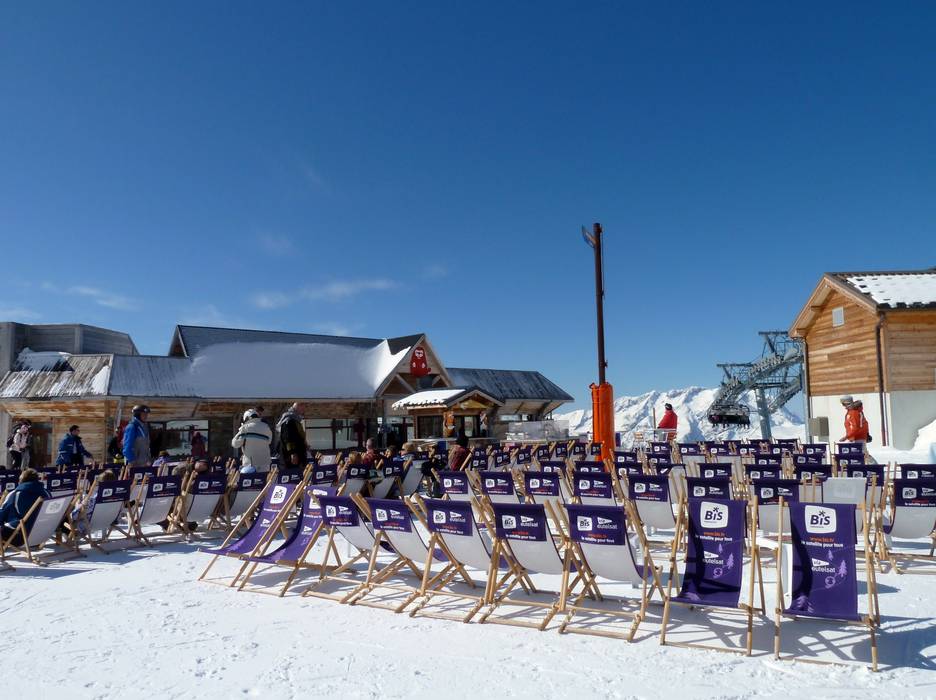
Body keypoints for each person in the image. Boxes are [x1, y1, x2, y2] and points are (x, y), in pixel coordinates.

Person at [0, 468, 50, 545]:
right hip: (43, 535)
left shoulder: (15, 494)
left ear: (21, 480)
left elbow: (1, 516)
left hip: (21, 538)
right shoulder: (46, 493)